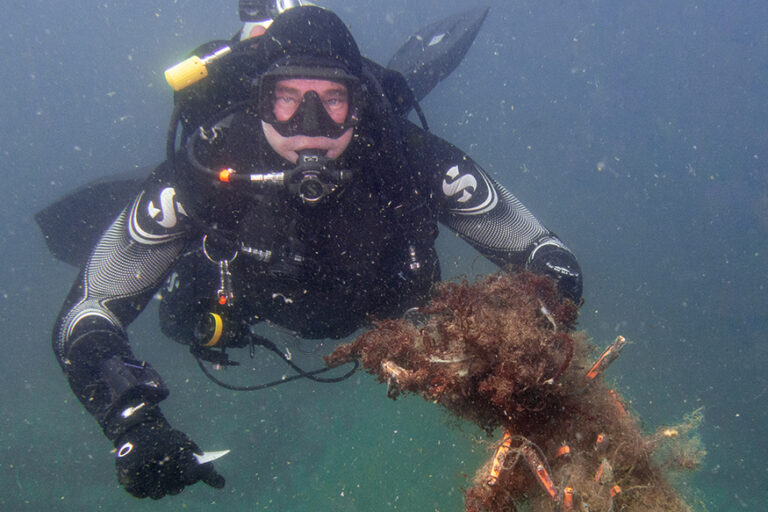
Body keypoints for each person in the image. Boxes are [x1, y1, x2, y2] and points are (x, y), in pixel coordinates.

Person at [51, 5, 583, 500]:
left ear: (359, 105)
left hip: (382, 302)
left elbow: (546, 255)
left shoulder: (405, 158)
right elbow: (88, 310)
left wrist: (527, 345)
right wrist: (132, 424)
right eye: (286, 97)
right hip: (246, 302)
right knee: (180, 314)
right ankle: (259, 28)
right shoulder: (208, 171)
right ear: (256, 98)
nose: (309, 125)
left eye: (331, 99)